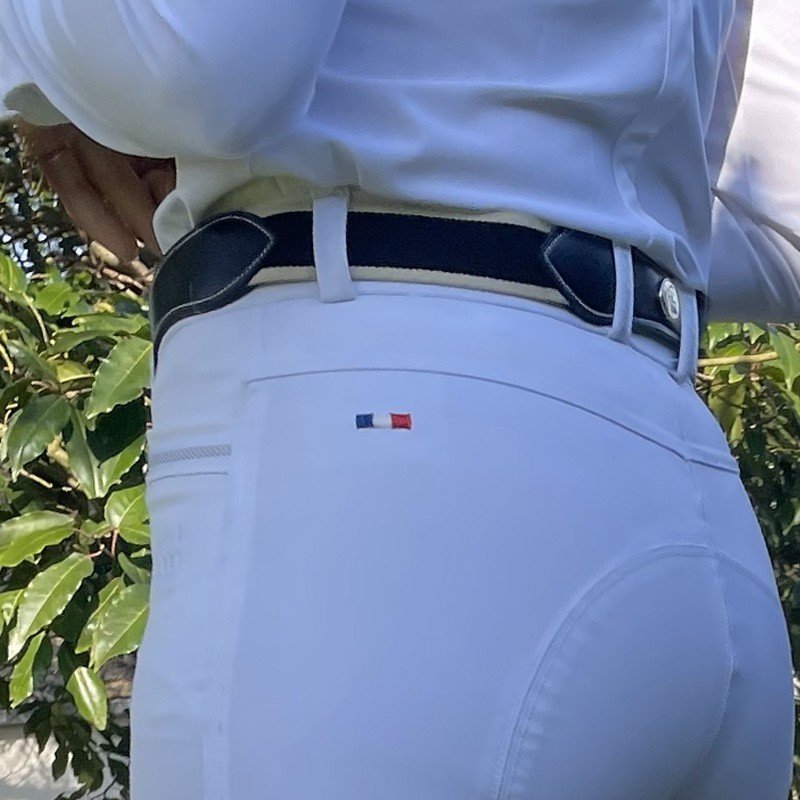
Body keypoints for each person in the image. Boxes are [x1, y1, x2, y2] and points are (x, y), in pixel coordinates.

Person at [2, 1, 798, 797]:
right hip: (679, 481)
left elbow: (198, 63)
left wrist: (34, 70)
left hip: (376, 452)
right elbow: (782, 219)